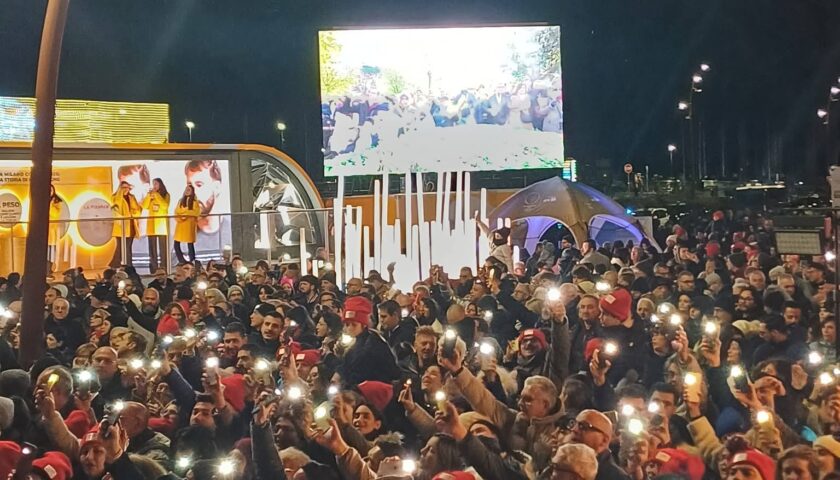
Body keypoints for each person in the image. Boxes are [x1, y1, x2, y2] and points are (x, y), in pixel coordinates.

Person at [109, 181, 142, 268]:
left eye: (127, 187)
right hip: (120, 227)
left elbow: (138, 209)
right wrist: (120, 194)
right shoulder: (115, 197)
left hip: (131, 225)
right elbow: (116, 208)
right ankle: (115, 264)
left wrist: (133, 213)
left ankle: (128, 266)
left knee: (128, 247)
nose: (126, 189)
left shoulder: (132, 197)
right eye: (123, 187)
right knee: (120, 247)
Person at [142, 177, 171, 272]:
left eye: (156, 184)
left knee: (163, 248)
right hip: (151, 224)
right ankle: (154, 268)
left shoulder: (165, 195)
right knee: (152, 248)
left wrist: (156, 195)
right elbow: (144, 206)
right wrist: (148, 197)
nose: (154, 186)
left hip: (161, 225)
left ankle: (164, 267)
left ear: (160, 185)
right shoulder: (151, 195)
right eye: (153, 184)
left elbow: (165, 206)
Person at [174, 184, 201, 264]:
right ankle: (182, 261)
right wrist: (183, 216)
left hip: (189, 226)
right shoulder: (181, 200)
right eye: (186, 189)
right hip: (180, 225)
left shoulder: (195, 202)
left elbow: (196, 212)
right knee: (176, 244)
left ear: (192, 191)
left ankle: (192, 261)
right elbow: (177, 211)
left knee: (190, 244)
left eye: (189, 190)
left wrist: (185, 212)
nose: (187, 191)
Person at [47, 184, 65, 274]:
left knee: (51, 252)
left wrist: (50, 204)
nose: (49, 192)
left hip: (52, 231)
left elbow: (55, 214)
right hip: (43, 232)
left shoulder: (56, 201)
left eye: (51, 190)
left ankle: (49, 270)